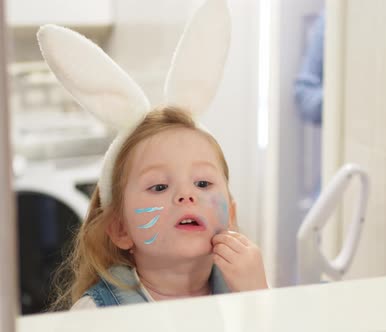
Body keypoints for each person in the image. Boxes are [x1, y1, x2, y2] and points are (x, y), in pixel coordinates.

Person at [39, 0, 268, 310]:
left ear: (232, 214)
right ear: (121, 229)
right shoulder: (97, 315)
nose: (186, 195)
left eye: (203, 183)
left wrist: (262, 299)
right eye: (159, 187)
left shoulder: (248, 289)